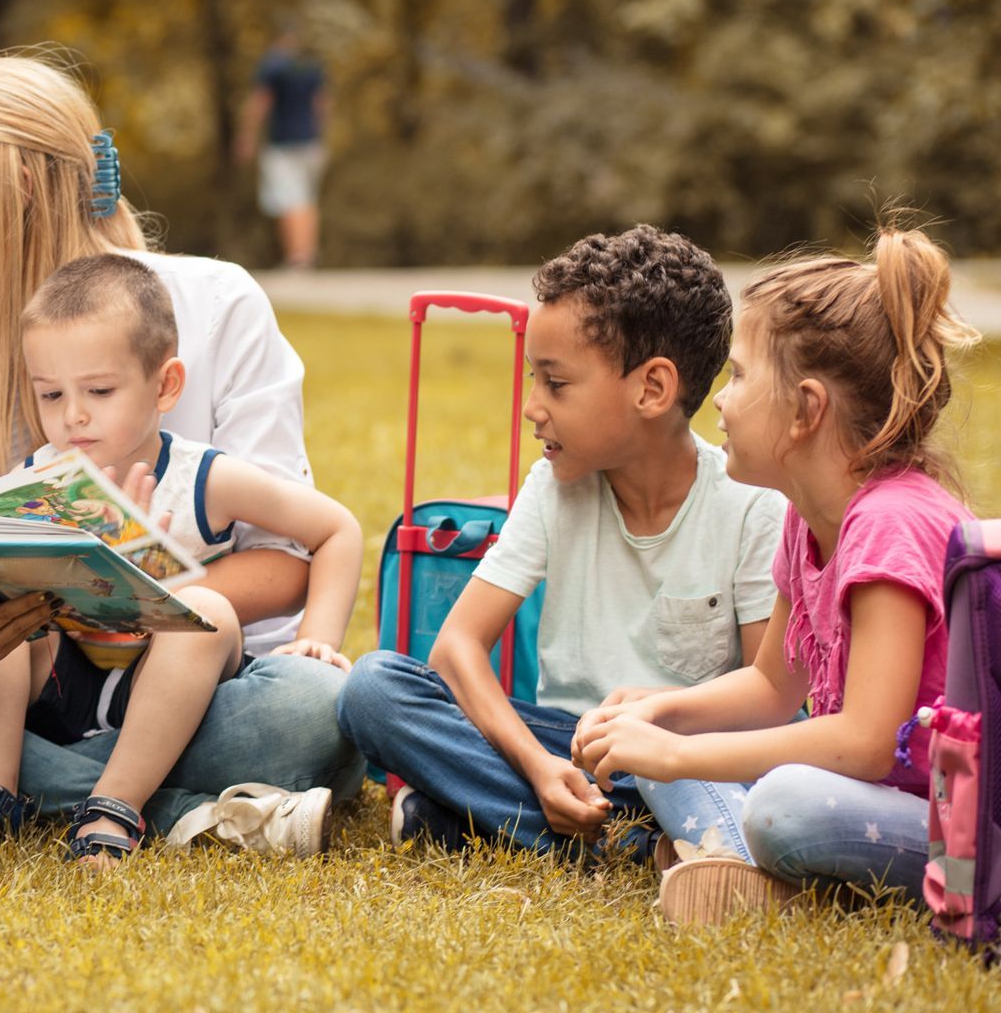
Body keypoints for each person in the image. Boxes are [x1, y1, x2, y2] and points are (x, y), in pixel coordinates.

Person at [0, 52, 365, 854]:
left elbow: (289, 559)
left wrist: (131, 602)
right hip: (10, 701)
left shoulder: (215, 303)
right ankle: (171, 813)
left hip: (198, 692)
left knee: (312, 704)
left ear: (16, 188)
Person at [572, 225, 980, 925]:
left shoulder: (887, 524)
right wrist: (662, 713)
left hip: (963, 834)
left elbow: (864, 740)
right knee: (671, 759)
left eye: (737, 375)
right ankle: (742, 868)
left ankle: (731, 856)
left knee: (781, 802)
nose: (720, 402)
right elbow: (770, 687)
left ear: (807, 410)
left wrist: (675, 753)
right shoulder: (803, 517)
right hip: (875, 795)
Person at [336, 225, 786, 859]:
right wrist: (540, 766)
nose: (532, 407)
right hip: (557, 745)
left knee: (751, 770)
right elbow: (458, 647)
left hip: (683, 760)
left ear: (652, 390)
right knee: (373, 689)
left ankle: (476, 820)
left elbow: (766, 702)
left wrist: (660, 718)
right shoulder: (554, 485)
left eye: (557, 383)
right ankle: (621, 842)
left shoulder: (752, 508)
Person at [0, 254, 364, 866]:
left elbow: (337, 528)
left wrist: (318, 640)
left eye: (98, 391)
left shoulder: (204, 478)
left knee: (210, 611)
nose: (72, 414)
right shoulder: (37, 479)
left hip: (175, 690)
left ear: (166, 385)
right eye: (50, 394)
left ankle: (113, 807)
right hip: (62, 690)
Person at [235, 28, 327, 270]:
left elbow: (261, 103)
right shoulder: (313, 66)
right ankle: (308, 253)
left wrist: (247, 136)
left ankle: (297, 257)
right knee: (307, 199)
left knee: (289, 199)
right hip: (311, 142)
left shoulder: (273, 66)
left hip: (282, 142)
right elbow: (322, 104)